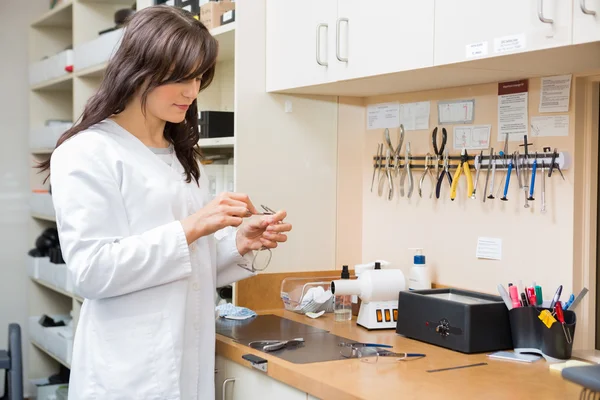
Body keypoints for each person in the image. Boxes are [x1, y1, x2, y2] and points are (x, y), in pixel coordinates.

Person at [37, 5, 292, 400]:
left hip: (187, 362)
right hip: (128, 374)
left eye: (198, 77)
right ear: (139, 70)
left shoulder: (181, 155)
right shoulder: (88, 151)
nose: (192, 91)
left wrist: (238, 242)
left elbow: (190, 266)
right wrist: (194, 225)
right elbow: (92, 270)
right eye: (179, 78)